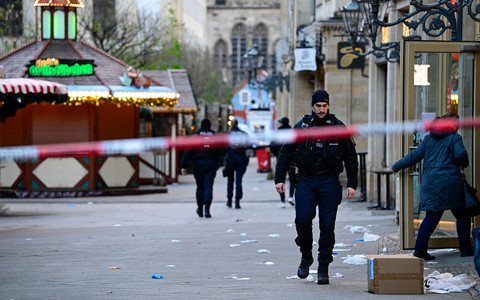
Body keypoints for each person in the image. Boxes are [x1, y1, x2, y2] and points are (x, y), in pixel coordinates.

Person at [275, 89, 358, 285]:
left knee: (327, 226)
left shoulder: (338, 127)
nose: (321, 109)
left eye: (324, 106)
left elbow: (351, 157)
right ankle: (306, 256)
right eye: (318, 106)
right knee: (302, 220)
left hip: (329, 180)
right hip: (306, 180)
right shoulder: (302, 127)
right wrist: (279, 178)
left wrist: (352, 183)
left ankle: (323, 266)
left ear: (328, 106)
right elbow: (285, 153)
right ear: (313, 106)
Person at [392, 112, 472, 260]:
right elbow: (461, 155)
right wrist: (464, 163)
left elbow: (413, 157)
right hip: (450, 183)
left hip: (430, 184)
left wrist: (396, 166)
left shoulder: (428, 139)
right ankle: (465, 249)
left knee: (431, 217)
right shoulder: (455, 138)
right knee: (462, 215)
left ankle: (419, 250)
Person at [180, 118, 221, 218]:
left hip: (198, 164)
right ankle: (207, 208)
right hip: (211, 164)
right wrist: (217, 162)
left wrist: (183, 165)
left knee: (200, 187)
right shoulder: (215, 137)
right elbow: (221, 151)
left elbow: (188, 152)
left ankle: (200, 208)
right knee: (208, 186)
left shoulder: (195, 138)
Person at [270, 117, 296, 208]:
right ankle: (290, 197)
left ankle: (282, 201)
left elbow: (272, 145)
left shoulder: (278, 133)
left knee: (281, 179)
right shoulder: (292, 132)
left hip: (281, 158)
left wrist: (277, 153)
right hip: (292, 159)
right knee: (292, 178)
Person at [225, 118, 249, 209]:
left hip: (230, 158)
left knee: (230, 180)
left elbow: (224, 147)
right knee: (239, 181)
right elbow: (249, 146)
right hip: (241, 158)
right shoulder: (243, 134)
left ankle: (229, 200)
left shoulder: (228, 134)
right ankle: (237, 201)